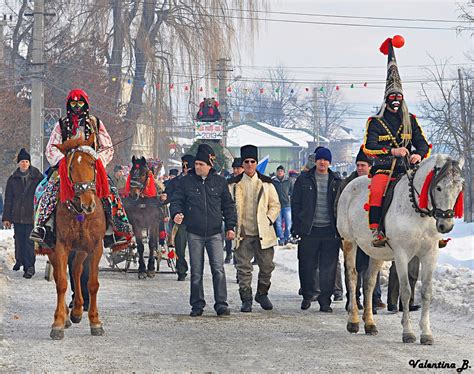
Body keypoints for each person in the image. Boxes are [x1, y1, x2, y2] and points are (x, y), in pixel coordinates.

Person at [29, 89, 133, 250]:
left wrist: (97, 160)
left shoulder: (95, 123)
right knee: (46, 190)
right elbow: (51, 148)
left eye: (80, 103)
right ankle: (44, 226)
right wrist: (64, 162)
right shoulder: (61, 124)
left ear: (85, 104)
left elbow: (107, 146)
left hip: (91, 167)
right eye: (73, 103)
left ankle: (115, 229)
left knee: (110, 190)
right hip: (66, 167)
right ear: (68, 105)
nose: (77, 107)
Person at [363, 37, 430, 247]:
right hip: (384, 169)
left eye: (398, 96)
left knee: (430, 189)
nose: (395, 99)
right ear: (386, 99)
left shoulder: (411, 120)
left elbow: (423, 144)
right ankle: (377, 231)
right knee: (376, 191)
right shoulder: (375, 122)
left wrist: (419, 153)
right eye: (392, 95)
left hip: (408, 168)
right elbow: (368, 147)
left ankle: (431, 232)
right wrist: (392, 151)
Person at [170, 144, 237, 317]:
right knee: (196, 271)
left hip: (215, 233)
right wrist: (176, 213)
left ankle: (221, 303)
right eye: (197, 164)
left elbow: (228, 206)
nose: (198, 167)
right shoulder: (186, 182)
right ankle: (197, 304)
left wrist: (230, 226)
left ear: (210, 165)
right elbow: (177, 200)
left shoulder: (220, 182)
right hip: (194, 232)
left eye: (201, 164)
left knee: (218, 269)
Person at [228, 145, 281, 312]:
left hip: (263, 232)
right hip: (242, 233)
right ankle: (246, 298)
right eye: (246, 162)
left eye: (252, 161)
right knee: (243, 268)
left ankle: (262, 293)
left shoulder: (266, 183)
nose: (250, 164)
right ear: (242, 164)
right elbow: (228, 206)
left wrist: (268, 219)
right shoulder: (234, 185)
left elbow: (275, 205)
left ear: (257, 163)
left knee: (267, 266)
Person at [291, 147, 342, 312]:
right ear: (315, 160)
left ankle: (325, 301)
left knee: (329, 268)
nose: (322, 162)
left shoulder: (336, 180)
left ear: (330, 162)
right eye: (320, 159)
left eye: (326, 160)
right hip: (309, 230)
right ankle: (307, 294)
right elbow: (296, 203)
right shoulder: (304, 179)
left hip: (329, 230)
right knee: (307, 265)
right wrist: (297, 225)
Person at [336, 146, 385, 312]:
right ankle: (353, 297)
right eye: (358, 165)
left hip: (371, 233)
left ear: (370, 167)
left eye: (363, 165)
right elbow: (339, 206)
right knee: (354, 265)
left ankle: (373, 298)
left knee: (372, 266)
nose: (360, 168)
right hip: (353, 231)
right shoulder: (348, 185)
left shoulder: (380, 185)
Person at [2, 148, 43, 277]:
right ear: (18, 163)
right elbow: (8, 199)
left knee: (29, 242)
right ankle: (19, 260)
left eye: (26, 161)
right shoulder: (12, 179)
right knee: (19, 240)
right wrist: (6, 218)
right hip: (17, 215)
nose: (24, 164)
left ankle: (29, 267)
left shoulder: (37, 177)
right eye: (22, 162)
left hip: (32, 216)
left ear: (29, 163)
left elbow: (43, 196)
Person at [164, 154, 195, 281]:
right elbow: (169, 197)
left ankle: (196, 271)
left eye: (188, 165)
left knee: (195, 250)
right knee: (180, 247)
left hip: (195, 219)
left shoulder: (198, 181)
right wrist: (164, 198)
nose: (185, 168)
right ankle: (181, 270)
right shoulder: (175, 182)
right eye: (184, 165)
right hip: (180, 219)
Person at [223, 157, 244, 264]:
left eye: (238, 168)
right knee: (228, 235)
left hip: (243, 216)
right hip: (230, 214)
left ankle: (238, 264)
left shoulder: (247, 182)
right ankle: (228, 253)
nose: (235, 171)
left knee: (240, 242)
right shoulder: (228, 183)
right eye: (234, 168)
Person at [272, 165, 293, 246]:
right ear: (277, 172)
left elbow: (292, 191)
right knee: (278, 223)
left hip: (287, 205)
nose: (280, 172)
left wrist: (289, 197)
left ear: (284, 172)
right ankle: (281, 238)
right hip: (277, 205)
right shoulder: (274, 181)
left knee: (288, 223)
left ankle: (287, 237)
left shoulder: (289, 181)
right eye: (278, 171)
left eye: (281, 171)